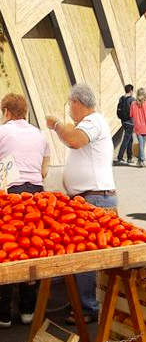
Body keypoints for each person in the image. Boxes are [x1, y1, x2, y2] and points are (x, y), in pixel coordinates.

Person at [46, 84, 118, 324]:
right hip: (89, 198)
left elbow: (74, 140)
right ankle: (84, 301)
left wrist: (56, 124)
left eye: (69, 105)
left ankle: (88, 307)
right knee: (83, 251)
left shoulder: (92, 121)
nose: (69, 110)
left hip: (95, 198)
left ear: (77, 103)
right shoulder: (90, 123)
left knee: (86, 254)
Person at [0, 94, 50, 327]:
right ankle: (28, 310)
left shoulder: (3, 132)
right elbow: (45, 170)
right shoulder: (39, 134)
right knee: (31, 248)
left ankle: (3, 314)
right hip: (37, 194)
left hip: (12, 193)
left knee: (8, 250)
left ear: (7, 112)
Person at [130, 87, 146, 168]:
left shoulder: (133, 103)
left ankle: (139, 162)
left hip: (138, 126)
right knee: (142, 144)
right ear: (144, 94)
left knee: (141, 145)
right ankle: (143, 160)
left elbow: (131, 115)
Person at [114, 83, 135, 166]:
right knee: (126, 139)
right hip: (130, 122)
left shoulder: (121, 98)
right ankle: (119, 157)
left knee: (130, 139)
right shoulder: (132, 99)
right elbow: (134, 111)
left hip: (123, 121)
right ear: (131, 90)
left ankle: (129, 158)